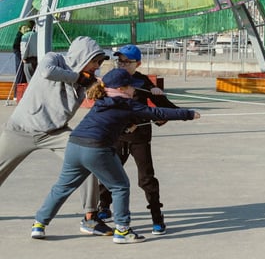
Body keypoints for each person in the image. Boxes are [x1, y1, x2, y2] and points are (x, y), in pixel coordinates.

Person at [29, 68, 200, 243]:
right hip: (96, 149)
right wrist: (188, 114)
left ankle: (39, 224)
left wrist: (126, 127)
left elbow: (109, 122)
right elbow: (158, 113)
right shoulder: (126, 104)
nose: (135, 90)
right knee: (120, 186)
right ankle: (123, 230)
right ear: (122, 89)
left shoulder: (102, 100)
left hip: (74, 145)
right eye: (132, 87)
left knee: (62, 187)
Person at [0, 36, 113, 235]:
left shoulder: (87, 82)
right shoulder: (53, 59)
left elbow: (104, 103)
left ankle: (90, 218)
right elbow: (46, 72)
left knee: (88, 159)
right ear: (82, 56)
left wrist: (105, 91)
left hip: (55, 132)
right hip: (20, 130)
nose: (96, 67)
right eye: (95, 61)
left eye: (99, 63)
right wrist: (79, 78)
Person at [96, 44, 178, 234]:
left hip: (139, 138)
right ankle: (104, 206)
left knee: (146, 179)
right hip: (116, 136)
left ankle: (157, 217)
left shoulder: (143, 83)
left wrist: (165, 100)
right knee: (108, 173)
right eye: (120, 61)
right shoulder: (113, 79)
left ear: (138, 63)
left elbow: (162, 108)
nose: (122, 65)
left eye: (127, 62)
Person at [11, 21, 34, 87]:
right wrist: (22, 57)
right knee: (20, 74)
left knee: (23, 75)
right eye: (24, 28)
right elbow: (15, 47)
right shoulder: (20, 36)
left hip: (24, 57)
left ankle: (19, 93)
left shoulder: (25, 35)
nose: (27, 29)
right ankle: (18, 93)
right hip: (21, 58)